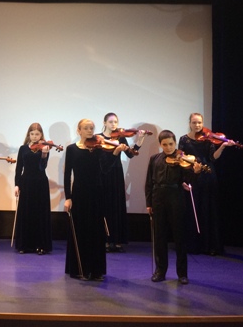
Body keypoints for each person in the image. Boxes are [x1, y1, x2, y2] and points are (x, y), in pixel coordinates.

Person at [145, 130, 202, 284]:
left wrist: (196, 172)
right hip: (158, 197)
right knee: (159, 237)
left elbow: (189, 180)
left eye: (171, 144)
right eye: (165, 144)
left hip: (176, 197)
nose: (168, 147)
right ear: (160, 144)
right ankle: (160, 271)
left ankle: (182, 273)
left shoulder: (182, 159)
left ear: (175, 143)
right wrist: (149, 203)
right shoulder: (154, 159)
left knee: (180, 237)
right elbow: (149, 182)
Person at [178, 113, 235, 256]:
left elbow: (212, 158)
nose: (197, 125)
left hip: (208, 176)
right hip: (192, 175)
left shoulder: (209, 138)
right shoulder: (184, 139)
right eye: (194, 122)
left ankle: (209, 245)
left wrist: (223, 146)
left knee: (208, 208)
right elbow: (180, 157)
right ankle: (193, 245)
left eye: (199, 122)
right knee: (193, 209)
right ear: (189, 123)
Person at [63, 119, 110, 281]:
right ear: (79, 131)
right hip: (79, 193)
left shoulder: (99, 148)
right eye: (86, 128)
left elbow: (105, 170)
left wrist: (114, 153)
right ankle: (79, 269)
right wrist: (68, 197)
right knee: (80, 230)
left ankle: (96, 270)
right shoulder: (71, 149)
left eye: (92, 128)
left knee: (96, 231)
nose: (90, 131)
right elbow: (67, 174)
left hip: (97, 192)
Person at [99, 113, 146, 253]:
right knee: (105, 206)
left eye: (116, 122)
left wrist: (140, 140)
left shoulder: (120, 137)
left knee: (117, 205)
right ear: (105, 123)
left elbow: (131, 154)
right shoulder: (98, 138)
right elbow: (99, 159)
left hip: (116, 174)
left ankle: (117, 240)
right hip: (103, 174)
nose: (113, 124)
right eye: (111, 122)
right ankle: (106, 240)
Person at [13, 122, 52, 255]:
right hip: (26, 183)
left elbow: (42, 167)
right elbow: (19, 168)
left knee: (40, 213)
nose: (35, 136)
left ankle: (40, 245)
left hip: (40, 183)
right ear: (29, 134)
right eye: (32, 134)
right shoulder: (23, 148)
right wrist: (17, 184)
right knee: (26, 213)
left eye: (37, 134)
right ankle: (24, 245)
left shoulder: (45, 147)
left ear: (41, 135)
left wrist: (44, 155)